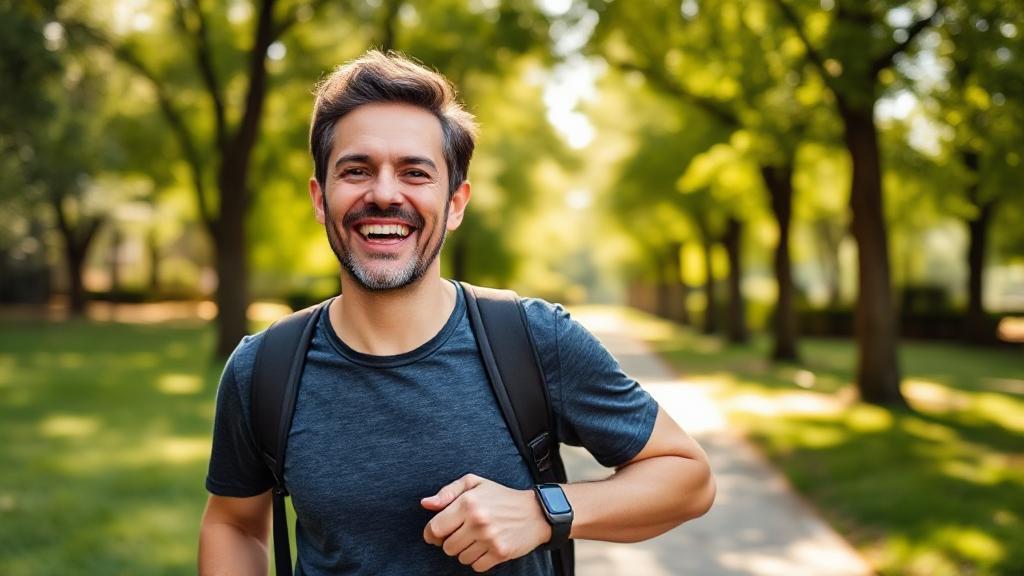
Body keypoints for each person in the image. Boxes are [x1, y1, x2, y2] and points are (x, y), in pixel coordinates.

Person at [198, 50, 715, 576]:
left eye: (415, 173)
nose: (383, 193)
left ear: (456, 202)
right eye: (356, 170)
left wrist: (543, 511)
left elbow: (687, 477)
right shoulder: (262, 369)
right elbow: (233, 524)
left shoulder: (534, 340)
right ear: (319, 197)